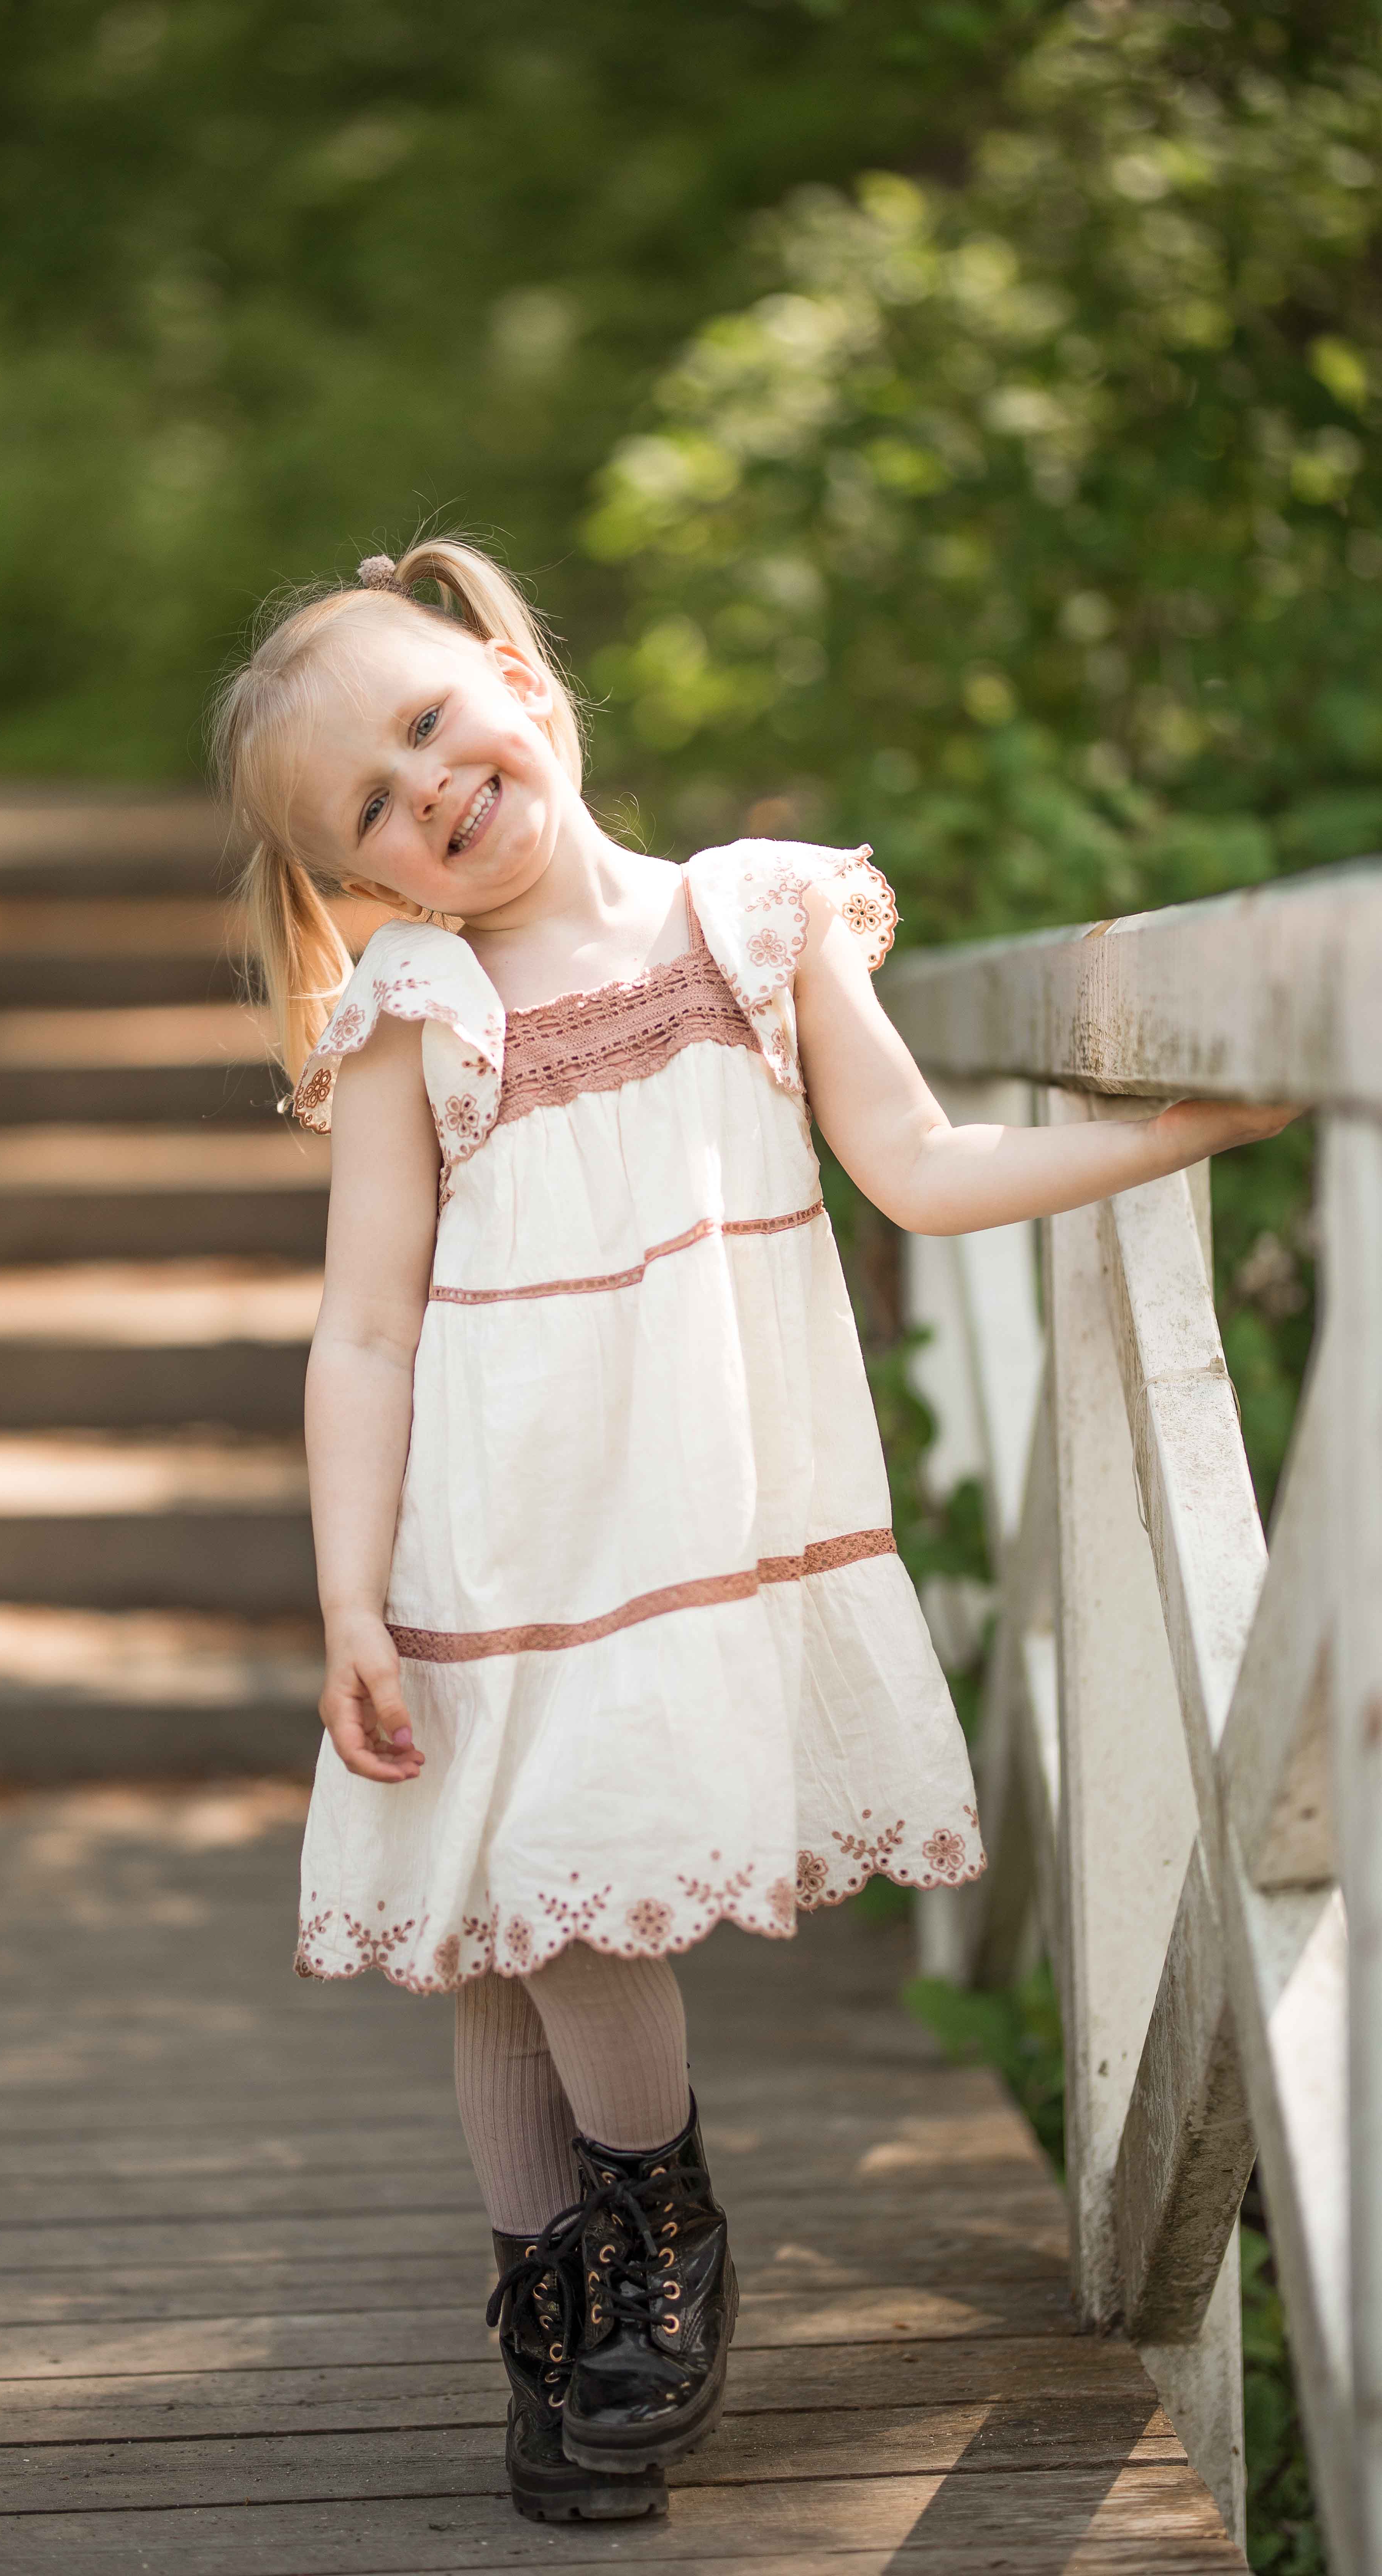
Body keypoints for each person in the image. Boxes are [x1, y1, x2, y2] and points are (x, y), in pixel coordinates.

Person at [209, 536, 1292, 2526]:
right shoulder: (417, 1012)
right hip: (492, 1546)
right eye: (368, 803)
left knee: (577, 1906)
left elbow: (921, 1165)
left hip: (678, 1524)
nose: (427, 787)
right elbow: (363, 1328)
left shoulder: (754, 917)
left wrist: (1163, 1140)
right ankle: (570, 2309)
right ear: (359, 876)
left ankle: (657, 2237)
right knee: (505, 1938)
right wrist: (350, 1595)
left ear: (522, 681)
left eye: (431, 723)